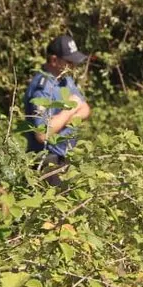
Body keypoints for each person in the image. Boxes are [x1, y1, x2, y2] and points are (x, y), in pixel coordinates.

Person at [22, 34, 91, 187]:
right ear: (54, 60)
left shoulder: (65, 79)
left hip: (64, 157)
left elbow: (85, 109)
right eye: (69, 62)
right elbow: (42, 133)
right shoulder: (42, 88)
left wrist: (60, 122)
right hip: (46, 162)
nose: (73, 66)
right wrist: (69, 109)